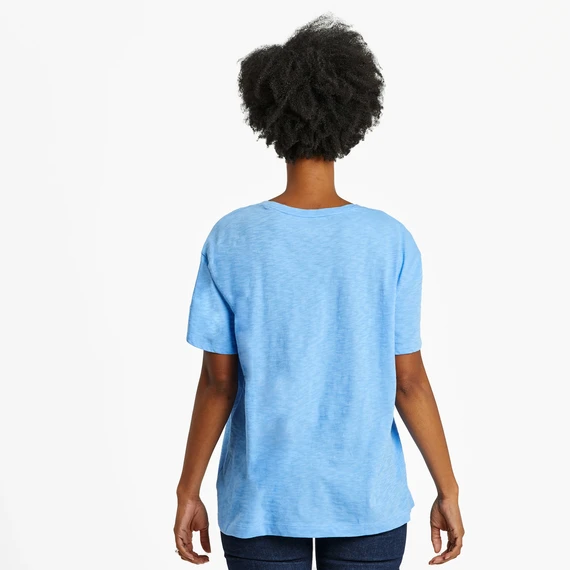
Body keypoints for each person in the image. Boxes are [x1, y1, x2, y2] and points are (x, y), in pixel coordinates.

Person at [174, 12, 465, 569]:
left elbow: (217, 381)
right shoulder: (389, 240)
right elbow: (408, 381)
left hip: (261, 498)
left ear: (269, 114)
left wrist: (188, 490)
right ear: (353, 117)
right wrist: (447, 487)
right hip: (367, 498)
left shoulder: (231, 237)